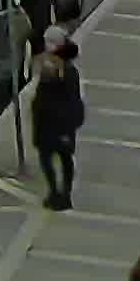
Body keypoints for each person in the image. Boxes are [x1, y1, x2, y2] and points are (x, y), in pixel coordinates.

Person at [34, 37, 87, 212]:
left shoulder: (61, 73)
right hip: (56, 124)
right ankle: (61, 193)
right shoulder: (66, 71)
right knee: (61, 158)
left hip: (54, 124)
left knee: (53, 157)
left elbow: (48, 99)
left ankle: (59, 193)